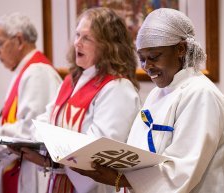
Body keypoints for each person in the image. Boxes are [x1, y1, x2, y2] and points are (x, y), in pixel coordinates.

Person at [73, 8, 224, 193]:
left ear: (180, 49)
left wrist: (121, 179)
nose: (147, 67)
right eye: (142, 59)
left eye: (154, 57)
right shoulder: (157, 93)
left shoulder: (201, 95)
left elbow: (181, 171)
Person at [19, 7, 141, 193]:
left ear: (108, 46)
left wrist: (49, 158)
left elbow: (98, 153)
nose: (77, 43)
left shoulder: (118, 88)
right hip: (60, 184)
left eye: (86, 38)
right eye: (77, 35)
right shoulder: (71, 81)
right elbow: (43, 123)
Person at [0, 13, 62, 193]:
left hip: (32, 172)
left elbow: (30, 132)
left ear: (18, 40)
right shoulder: (25, 71)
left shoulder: (38, 72)